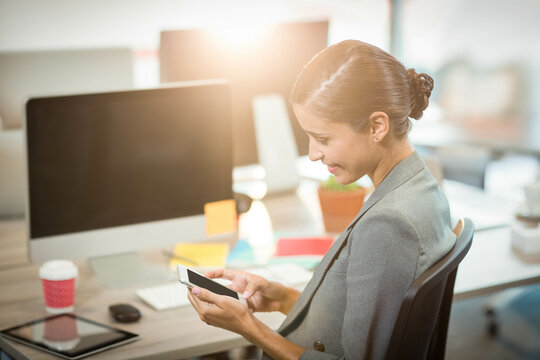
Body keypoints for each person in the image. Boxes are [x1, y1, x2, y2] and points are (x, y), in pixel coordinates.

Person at [186, 39, 457, 359]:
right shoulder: (420, 185)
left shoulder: (389, 223)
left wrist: (249, 328)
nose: (314, 153)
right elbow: (363, 311)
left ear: (377, 126)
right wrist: (282, 297)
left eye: (323, 138)